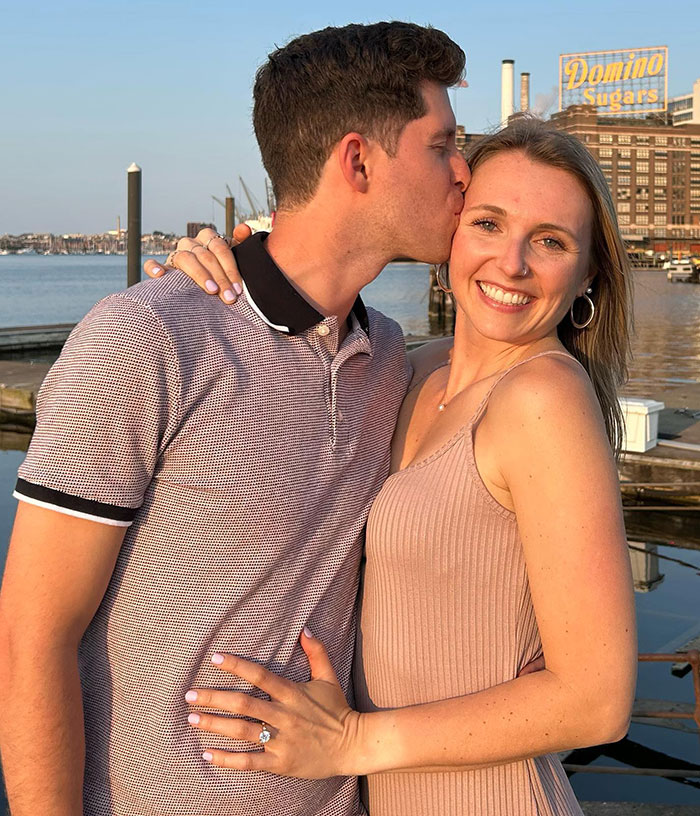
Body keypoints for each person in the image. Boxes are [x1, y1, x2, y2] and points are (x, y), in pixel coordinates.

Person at [0, 22, 472, 816]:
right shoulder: (146, 338)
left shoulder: (389, 357)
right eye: (442, 145)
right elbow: (30, 638)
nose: (465, 172)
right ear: (357, 160)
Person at [147, 119, 637, 815]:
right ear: (451, 236)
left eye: (551, 241)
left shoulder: (543, 398)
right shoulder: (407, 368)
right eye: (489, 224)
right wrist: (214, 282)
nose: (513, 263)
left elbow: (596, 701)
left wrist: (352, 742)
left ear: (588, 273)